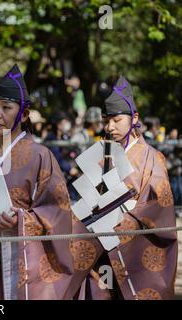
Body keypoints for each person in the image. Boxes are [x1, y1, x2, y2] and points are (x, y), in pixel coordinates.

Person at [0, 64, 101, 300]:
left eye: (6, 107)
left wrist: (22, 220)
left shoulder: (40, 155)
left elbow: (57, 211)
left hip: (17, 261)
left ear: (24, 114)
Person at [78, 76, 178, 300]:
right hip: (101, 243)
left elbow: (160, 205)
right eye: (107, 120)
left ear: (134, 118)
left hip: (135, 244)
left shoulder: (153, 158)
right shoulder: (102, 154)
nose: (110, 126)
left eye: (117, 120)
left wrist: (127, 221)